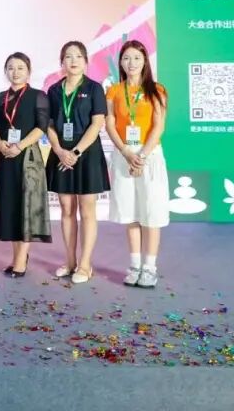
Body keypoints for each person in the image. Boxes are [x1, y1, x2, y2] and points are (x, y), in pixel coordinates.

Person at [105, 39, 169, 289]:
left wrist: (141, 156)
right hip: (124, 155)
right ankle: (134, 265)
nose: (131, 63)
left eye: (136, 58)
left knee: (151, 212)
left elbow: (158, 126)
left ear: (145, 61)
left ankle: (150, 268)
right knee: (130, 212)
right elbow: (110, 123)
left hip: (149, 155)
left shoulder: (157, 90)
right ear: (120, 62)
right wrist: (126, 152)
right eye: (126, 58)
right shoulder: (114, 91)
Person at [45, 41, 109, 284]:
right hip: (61, 154)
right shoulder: (53, 90)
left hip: (86, 154)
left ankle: (85, 265)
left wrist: (76, 152)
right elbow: (49, 124)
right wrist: (60, 150)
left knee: (87, 210)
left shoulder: (94, 88)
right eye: (68, 56)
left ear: (86, 61)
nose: (73, 61)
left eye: (78, 56)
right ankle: (70, 261)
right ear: (62, 62)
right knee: (66, 209)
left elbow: (97, 123)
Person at [0, 52, 52, 278]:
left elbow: (41, 127)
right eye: (11, 68)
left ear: (29, 71)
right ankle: (18, 257)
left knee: (26, 206)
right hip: (6, 157)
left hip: (28, 158)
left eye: (20, 68)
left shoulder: (38, 96)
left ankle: (20, 261)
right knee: (11, 208)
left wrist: (20, 146)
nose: (15, 72)